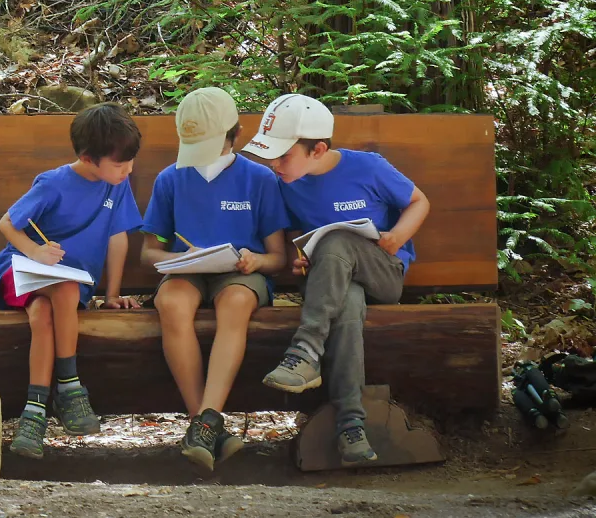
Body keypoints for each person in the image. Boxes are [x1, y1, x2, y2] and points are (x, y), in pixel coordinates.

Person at [244, 93, 431, 466]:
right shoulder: (285, 182)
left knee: (336, 240)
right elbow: (293, 236)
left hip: (383, 273)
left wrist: (397, 237)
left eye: (283, 155)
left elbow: (419, 201)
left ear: (317, 150)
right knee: (347, 304)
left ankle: (305, 349)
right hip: (329, 285)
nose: (274, 164)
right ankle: (351, 425)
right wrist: (299, 258)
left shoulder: (368, 168)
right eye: (270, 155)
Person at [140, 87, 290, 471]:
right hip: (186, 273)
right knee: (170, 303)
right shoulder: (171, 179)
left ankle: (204, 423)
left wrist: (256, 260)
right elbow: (150, 252)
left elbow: (278, 258)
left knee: (236, 303)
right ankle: (205, 423)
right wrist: (180, 258)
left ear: (236, 133)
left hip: (239, 277)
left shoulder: (259, 179)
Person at [0, 103, 144, 459]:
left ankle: (34, 413)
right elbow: (7, 223)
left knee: (43, 314)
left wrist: (112, 294)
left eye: (130, 162)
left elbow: (117, 237)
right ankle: (70, 386)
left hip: (63, 289)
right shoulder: (53, 183)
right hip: (21, 273)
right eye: (119, 164)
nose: (127, 170)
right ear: (89, 159)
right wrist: (35, 251)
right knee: (66, 288)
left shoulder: (117, 184)